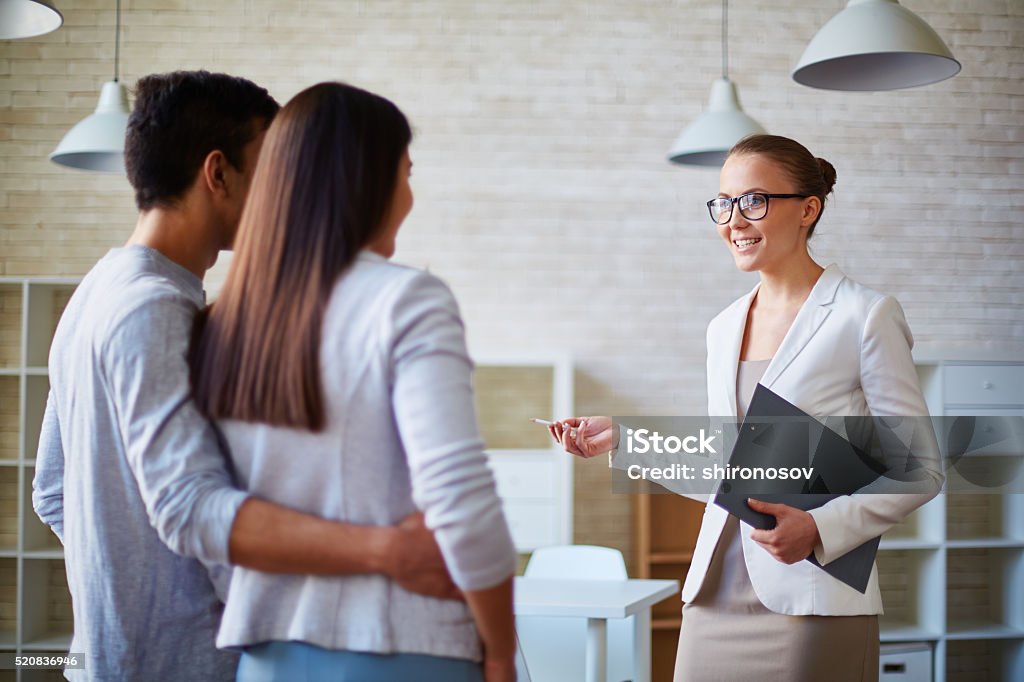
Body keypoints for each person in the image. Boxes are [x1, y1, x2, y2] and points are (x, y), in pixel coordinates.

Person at [32, 71, 459, 682]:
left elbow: (52, 491)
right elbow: (189, 506)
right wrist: (386, 552)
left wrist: (121, 592)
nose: (287, 193)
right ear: (218, 174)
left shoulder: (97, 291)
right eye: (273, 169)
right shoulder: (156, 309)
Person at [549, 134, 943, 681]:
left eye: (753, 200)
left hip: (810, 594)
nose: (734, 219)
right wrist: (622, 438)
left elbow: (920, 470)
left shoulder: (864, 316)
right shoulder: (724, 326)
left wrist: (820, 527)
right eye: (724, 203)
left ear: (809, 208)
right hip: (715, 591)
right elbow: (728, 466)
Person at [189, 81, 517, 682]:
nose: (410, 195)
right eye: (406, 172)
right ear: (366, 178)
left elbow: (206, 514)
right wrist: (499, 648)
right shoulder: (406, 299)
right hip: (402, 648)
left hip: (264, 656)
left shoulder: (221, 321)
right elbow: (458, 498)